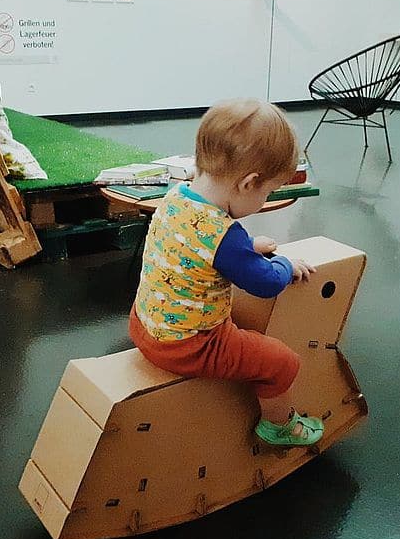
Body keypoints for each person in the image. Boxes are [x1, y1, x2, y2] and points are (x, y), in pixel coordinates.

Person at [128, 99, 323, 447]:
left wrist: (247, 247)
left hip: (144, 326)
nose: (266, 200)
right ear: (249, 183)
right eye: (269, 191)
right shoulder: (227, 237)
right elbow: (265, 283)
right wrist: (284, 264)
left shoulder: (176, 197)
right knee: (282, 362)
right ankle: (278, 427)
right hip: (191, 346)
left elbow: (200, 245)